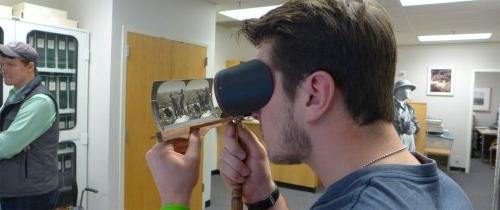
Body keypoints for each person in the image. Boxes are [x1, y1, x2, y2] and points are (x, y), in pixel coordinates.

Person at [146, 0, 473, 209]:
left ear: (315, 94)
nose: (255, 110)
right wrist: (264, 193)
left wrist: (175, 199)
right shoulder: (442, 188)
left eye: (262, 86)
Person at [0, 41, 59, 210]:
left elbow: (6, 146)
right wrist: (14, 139)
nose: (3, 69)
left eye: (11, 64)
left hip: (32, 195)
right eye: (2, 64)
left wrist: (11, 140)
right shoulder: (15, 95)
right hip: (15, 189)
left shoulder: (40, 101)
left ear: (30, 66)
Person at [393, 79, 420, 152]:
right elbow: (386, 126)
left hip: (409, 143)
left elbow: (417, 125)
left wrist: (414, 128)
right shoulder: (389, 107)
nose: (410, 91)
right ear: (399, 89)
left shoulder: (410, 109)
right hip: (395, 143)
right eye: (408, 88)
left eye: (411, 89)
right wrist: (404, 127)